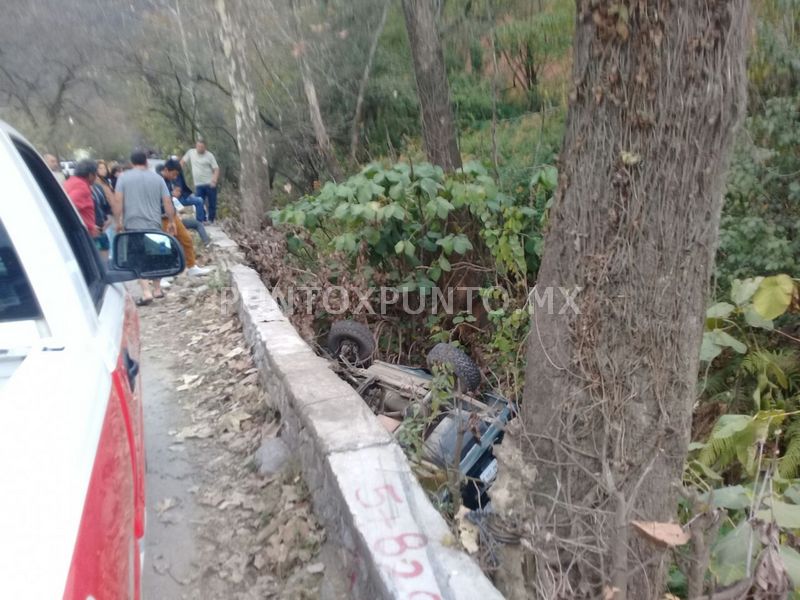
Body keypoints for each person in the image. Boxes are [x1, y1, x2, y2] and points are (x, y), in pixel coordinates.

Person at [114, 151, 177, 305]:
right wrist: (171, 220)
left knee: (137, 259)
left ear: (131, 163)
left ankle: (146, 292)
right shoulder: (158, 178)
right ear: (146, 162)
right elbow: (167, 201)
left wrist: (118, 221)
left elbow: (118, 202)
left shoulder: (123, 179)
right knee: (157, 257)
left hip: (133, 225)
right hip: (154, 224)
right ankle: (157, 289)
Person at [181, 137, 219, 222]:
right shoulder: (191, 153)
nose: (200, 148)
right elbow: (182, 162)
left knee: (212, 203)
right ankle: (202, 220)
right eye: (198, 146)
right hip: (198, 184)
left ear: (205, 147)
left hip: (209, 183)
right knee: (199, 202)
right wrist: (177, 171)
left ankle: (211, 219)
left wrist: (214, 180)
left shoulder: (209, 155)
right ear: (196, 146)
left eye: (202, 147)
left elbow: (216, 169)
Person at [63, 160, 98, 237]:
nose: (96, 177)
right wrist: (89, 227)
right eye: (95, 174)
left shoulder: (70, 181)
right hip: (82, 234)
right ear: (90, 175)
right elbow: (70, 207)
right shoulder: (81, 187)